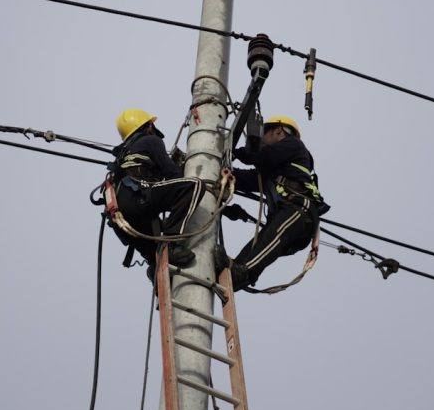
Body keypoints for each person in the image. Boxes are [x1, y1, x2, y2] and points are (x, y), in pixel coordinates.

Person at [226, 115, 329, 291]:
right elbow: (244, 179)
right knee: (260, 243)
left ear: (279, 131)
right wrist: (221, 172)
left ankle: (242, 272)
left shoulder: (294, 144)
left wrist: (238, 151)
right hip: (287, 217)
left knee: (269, 239)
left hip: (299, 210)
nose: (261, 141)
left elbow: (263, 156)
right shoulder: (271, 171)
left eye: (263, 135)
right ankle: (234, 271)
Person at [109, 108, 206, 272]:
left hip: (121, 218)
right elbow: (172, 175)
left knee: (158, 261)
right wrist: (182, 169)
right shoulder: (150, 140)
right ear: (148, 127)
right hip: (138, 199)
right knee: (194, 185)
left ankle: (155, 271)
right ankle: (173, 245)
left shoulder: (124, 154)